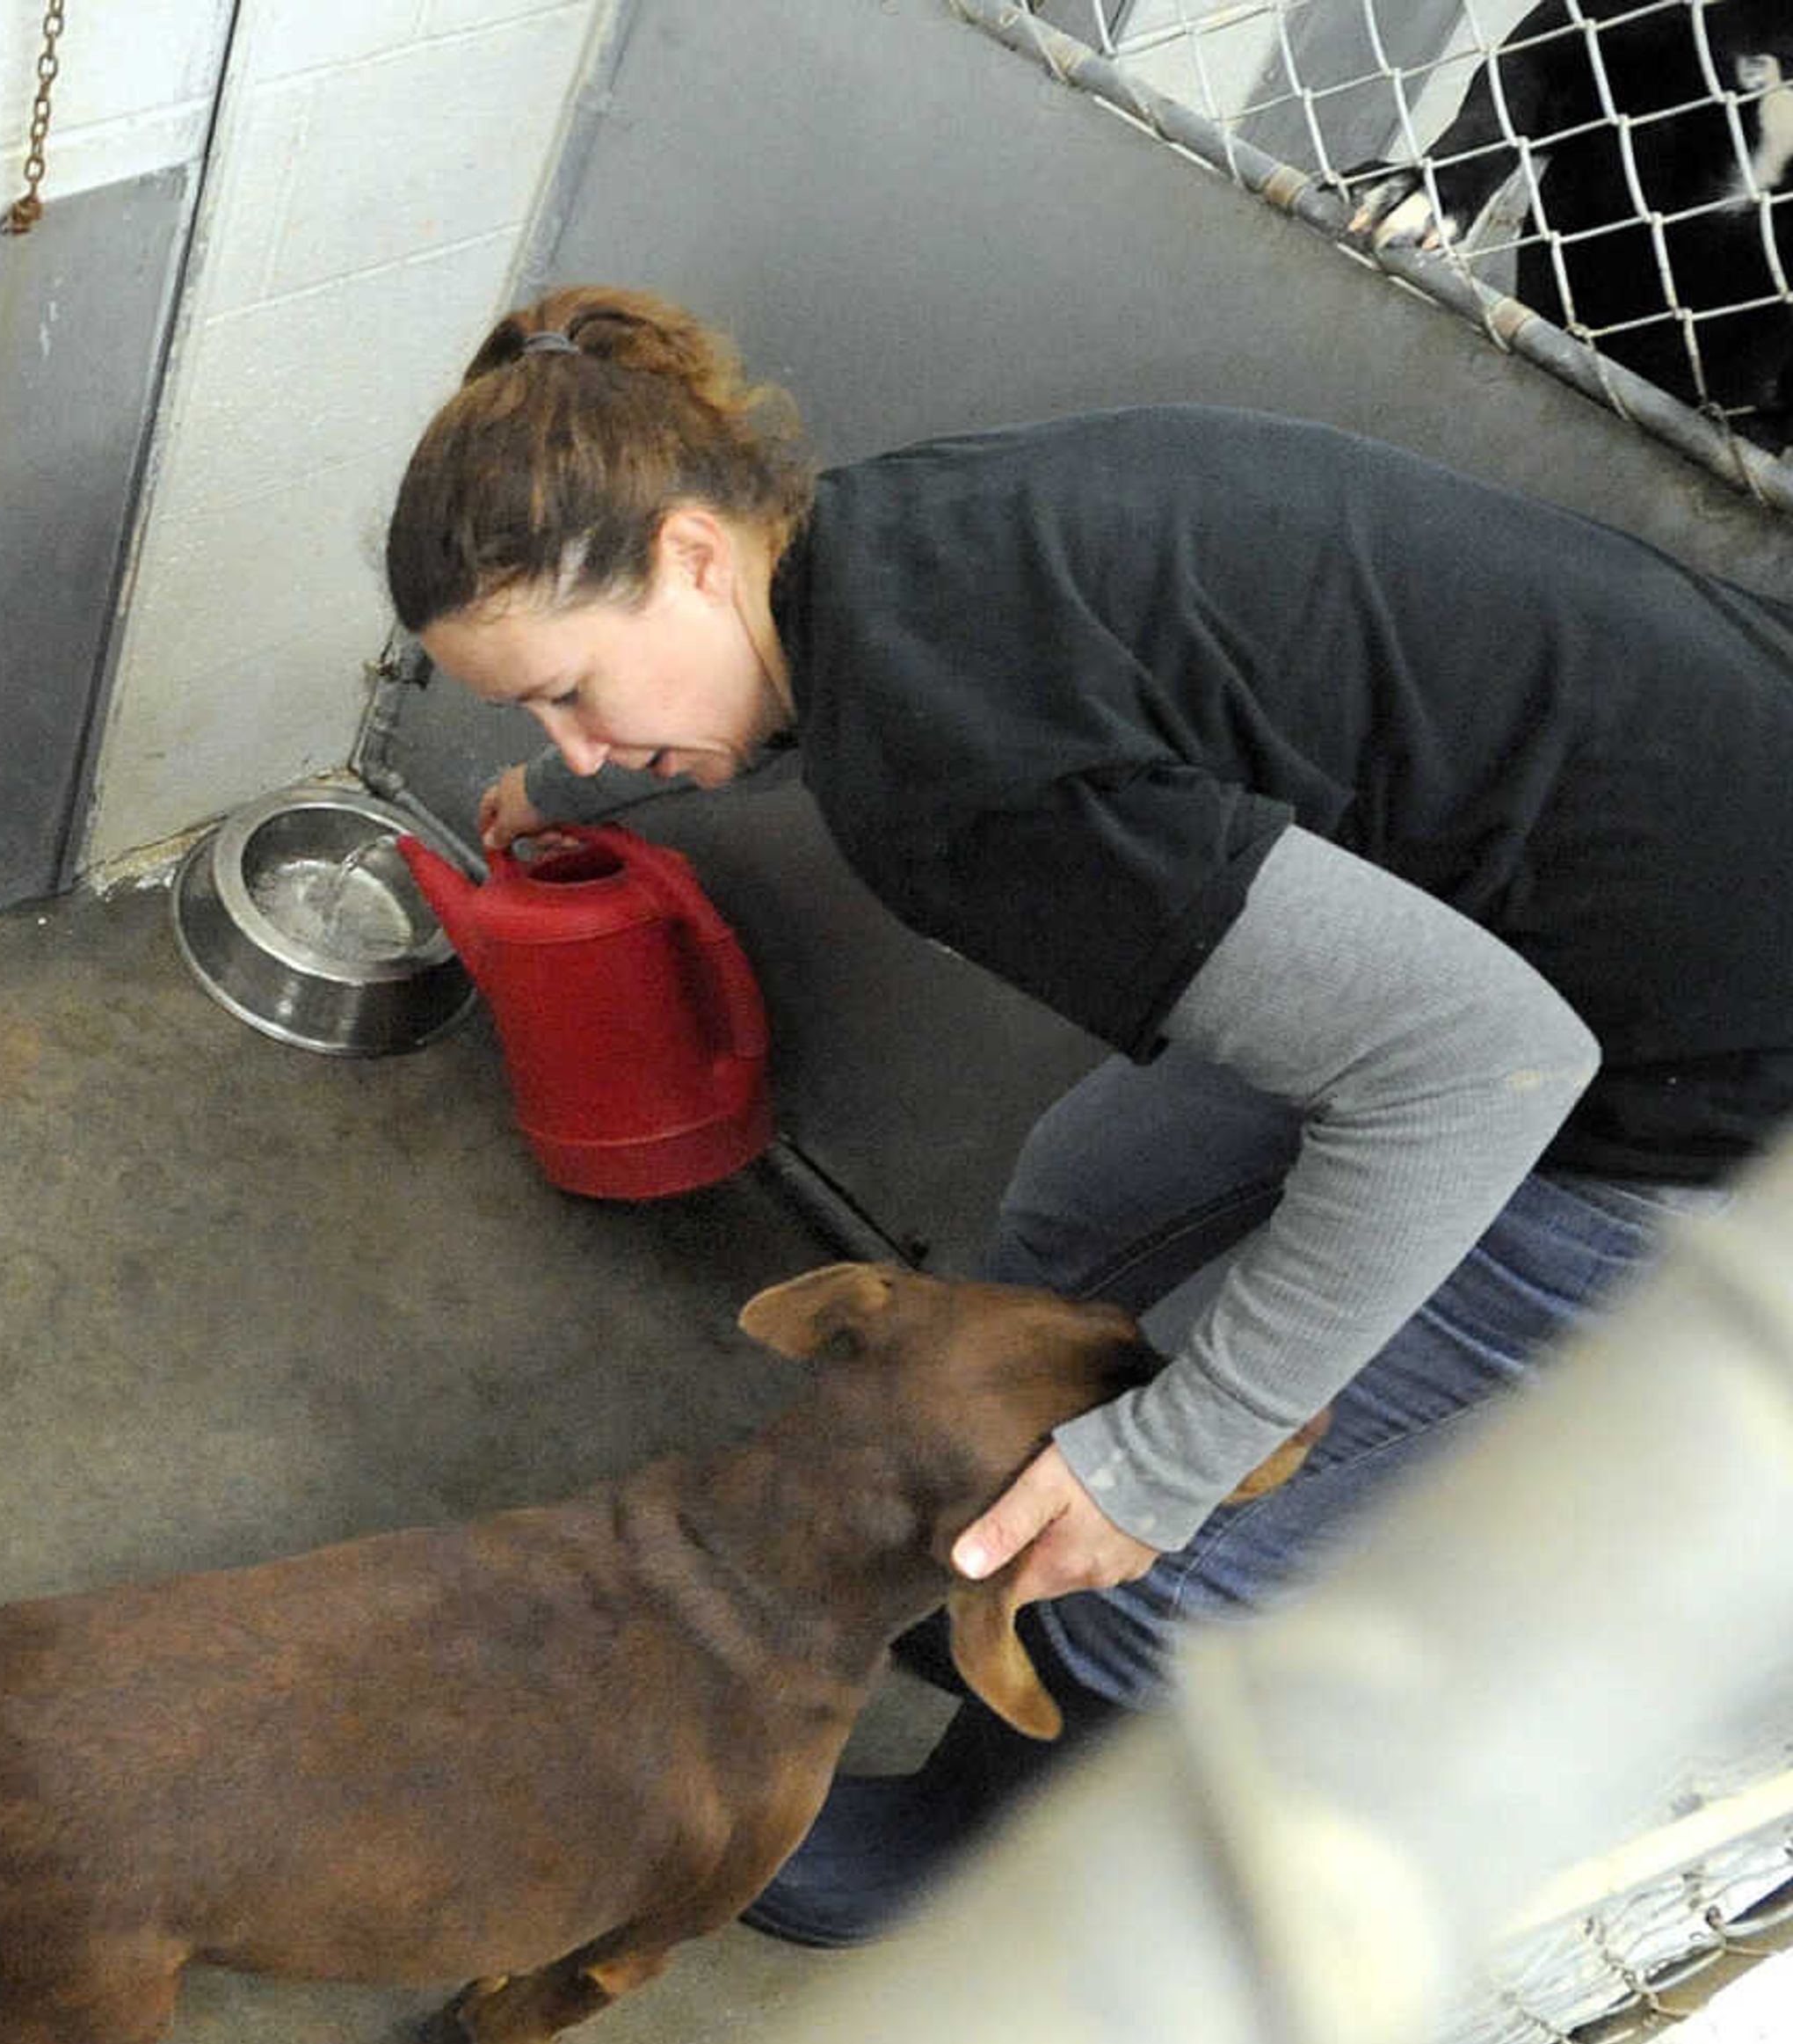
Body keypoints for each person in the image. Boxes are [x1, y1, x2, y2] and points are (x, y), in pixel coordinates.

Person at [385, 285, 1793, 1946]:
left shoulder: (961, 782)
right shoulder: (869, 547)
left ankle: (977, 1830)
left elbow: (1481, 1070)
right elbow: (821, 710)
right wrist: (582, 777)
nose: (572, 735)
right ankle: (987, 1556)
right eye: (534, 719)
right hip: (1565, 896)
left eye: (572, 694)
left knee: (1188, 1513)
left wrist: (1165, 1465)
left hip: (1706, 1077)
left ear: (694, 554)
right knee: (1083, 1205)